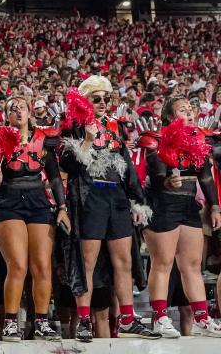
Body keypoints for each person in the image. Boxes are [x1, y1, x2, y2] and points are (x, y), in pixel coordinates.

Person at [59, 75, 158, 341]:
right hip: (90, 199)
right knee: (87, 262)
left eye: (106, 99)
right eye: (97, 99)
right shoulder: (73, 128)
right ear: (85, 102)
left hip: (116, 198)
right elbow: (67, 165)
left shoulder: (116, 129)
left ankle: (127, 319)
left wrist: (137, 201)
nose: (103, 103)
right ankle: (83, 322)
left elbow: (128, 171)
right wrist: (88, 141)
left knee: (123, 261)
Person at [0, 95, 67, 341]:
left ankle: (41, 322)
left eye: (22, 108)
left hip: (38, 202)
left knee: (42, 265)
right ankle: (10, 322)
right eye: (12, 109)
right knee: (18, 264)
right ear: (6, 115)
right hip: (7, 203)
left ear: (30, 112)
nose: (18, 111)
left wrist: (62, 206)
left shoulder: (44, 139)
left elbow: (55, 177)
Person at [140, 96, 221, 337]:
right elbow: (155, 172)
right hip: (163, 203)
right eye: (181, 109)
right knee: (163, 263)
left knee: (192, 265)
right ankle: (159, 318)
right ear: (168, 117)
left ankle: (201, 318)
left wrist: (215, 207)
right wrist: (166, 179)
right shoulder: (155, 139)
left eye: (190, 108)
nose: (188, 111)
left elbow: (206, 176)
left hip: (187, 203)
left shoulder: (198, 138)